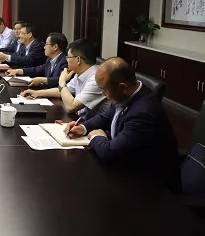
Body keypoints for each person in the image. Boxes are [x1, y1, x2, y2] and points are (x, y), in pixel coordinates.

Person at [64, 57, 179, 191]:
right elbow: (106, 116)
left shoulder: (143, 113)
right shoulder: (127, 95)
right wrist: (83, 127)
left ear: (123, 87)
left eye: (104, 90)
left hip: (150, 185)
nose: (102, 94)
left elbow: (110, 152)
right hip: (127, 169)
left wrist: (97, 137)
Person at [22, 38, 108, 118]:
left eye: (68, 57)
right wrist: (36, 93)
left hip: (91, 125)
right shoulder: (80, 73)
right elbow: (61, 91)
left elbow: (71, 107)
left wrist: (62, 81)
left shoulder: (96, 79)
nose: (66, 60)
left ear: (78, 60)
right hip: (78, 120)